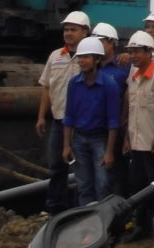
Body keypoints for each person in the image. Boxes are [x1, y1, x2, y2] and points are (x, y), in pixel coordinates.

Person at [36, 10, 90, 213]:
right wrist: (41, 117)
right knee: (56, 166)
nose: (68, 33)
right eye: (66, 29)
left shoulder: (90, 58)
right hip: (59, 121)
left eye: (73, 30)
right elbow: (47, 87)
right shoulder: (55, 56)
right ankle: (55, 207)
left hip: (82, 124)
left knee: (81, 169)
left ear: (85, 32)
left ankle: (78, 210)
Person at [121, 30, 154, 243]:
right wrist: (127, 138)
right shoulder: (133, 76)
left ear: (149, 52)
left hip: (152, 145)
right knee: (138, 188)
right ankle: (142, 227)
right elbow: (131, 110)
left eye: (137, 52)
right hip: (136, 143)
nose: (133, 56)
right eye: (130, 52)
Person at [62, 36, 121, 205]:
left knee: (103, 184)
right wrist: (66, 145)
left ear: (97, 59)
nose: (81, 61)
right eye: (80, 57)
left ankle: (103, 219)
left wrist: (109, 152)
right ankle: (86, 219)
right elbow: (69, 116)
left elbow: (113, 121)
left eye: (86, 57)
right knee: (83, 185)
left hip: (99, 139)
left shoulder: (109, 85)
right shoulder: (74, 84)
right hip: (79, 139)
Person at [92, 22, 128, 195]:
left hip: (115, 130)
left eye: (101, 41)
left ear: (111, 42)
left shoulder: (123, 68)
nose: (97, 45)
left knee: (117, 175)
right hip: (94, 128)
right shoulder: (92, 69)